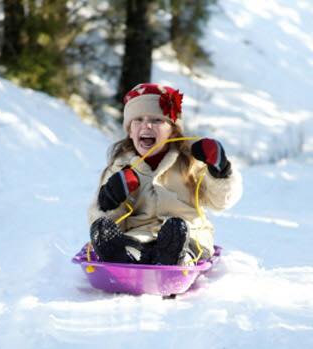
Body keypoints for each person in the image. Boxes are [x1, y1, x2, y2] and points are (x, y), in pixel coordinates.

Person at [88, 83, 242, 265]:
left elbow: (221, 201)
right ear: (129, 131)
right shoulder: (121, 168)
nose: (146, 125)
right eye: (138, 120)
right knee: (117, 237)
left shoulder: (190, 162)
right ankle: (124, 257)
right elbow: (114, 222)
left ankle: (177, 257)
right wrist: (109, 202)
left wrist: (220, 171)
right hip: (139, 238)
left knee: (179, 234)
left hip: (189, 237)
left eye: (156, 120)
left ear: (173, 130)